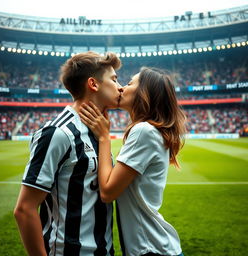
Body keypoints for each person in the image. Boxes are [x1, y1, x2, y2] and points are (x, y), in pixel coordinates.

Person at [14, 51, 122, 256]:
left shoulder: (99, 131)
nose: (120, 87)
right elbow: (24, 209)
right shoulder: (58, 133)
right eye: (114, 79)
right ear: (94, 84)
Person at [79, 67, 186, 256]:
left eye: (129, 84)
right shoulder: (149, 131)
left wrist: (104, 137)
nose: (121, 88)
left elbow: (108, 191)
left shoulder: (144, 131)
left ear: (144, 93)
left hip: (151, 249)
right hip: (153, 247)